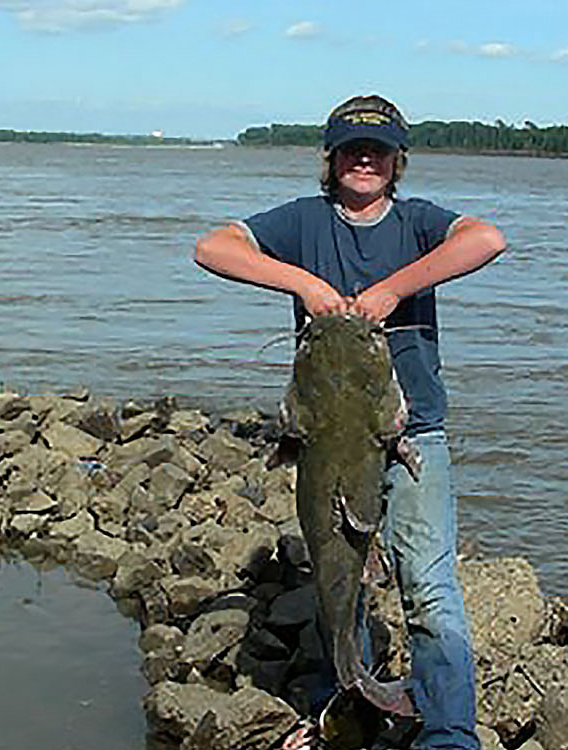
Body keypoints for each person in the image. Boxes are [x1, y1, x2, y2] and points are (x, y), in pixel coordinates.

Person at [195, 95, 506, 750]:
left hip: (409, 433)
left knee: (426, 580)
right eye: (351, 148)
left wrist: (393, 290)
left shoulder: (420, 222)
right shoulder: (305, 222)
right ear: (330, 158)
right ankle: (344, 709)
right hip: (322, 443)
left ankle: (449, 734)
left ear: (398, 161)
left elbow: (487, 239)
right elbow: (211, 247)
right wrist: (303, 285)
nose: (365, 159)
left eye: (379, 149)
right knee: (337, 577)